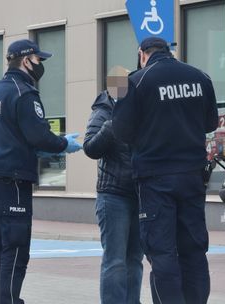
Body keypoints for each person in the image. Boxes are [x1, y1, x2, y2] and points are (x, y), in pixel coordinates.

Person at [111, 37, 219, 304]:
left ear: (142, 54)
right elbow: (210, 123)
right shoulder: (200, 77)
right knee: (194, 251)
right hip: (192, 177)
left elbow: (121, 131)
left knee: (162, 254)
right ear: (168, 51)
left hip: (155, 179)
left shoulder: (134, 81)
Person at [0, 39, 82, 304]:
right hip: (13, 179)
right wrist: (63, 145)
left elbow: (13, 136)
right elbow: (38, 136)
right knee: (15, 249)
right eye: (39, 60)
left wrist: (49, 144)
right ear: (26, 60)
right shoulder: (24, 92)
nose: (41, 65)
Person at [83, 90, 143, 304]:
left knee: (135, 260)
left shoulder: (140, 107)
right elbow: (90, 147)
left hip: (140, 193)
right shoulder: (103, 110)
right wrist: (112, 124)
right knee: (115, 261)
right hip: (113, 195)